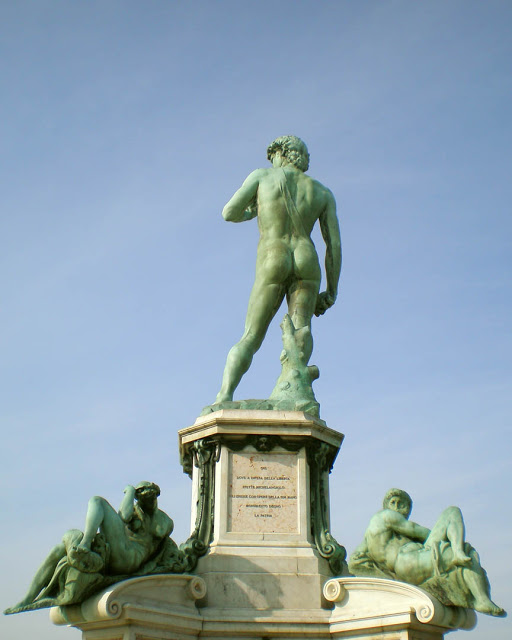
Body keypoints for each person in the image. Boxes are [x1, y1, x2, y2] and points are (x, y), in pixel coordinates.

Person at [215, 135, 341, 404]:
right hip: (307, 258)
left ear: (282, 154)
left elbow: (229, 212)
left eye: (272, 156)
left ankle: (224, 395)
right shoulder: (322, 192)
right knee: (300, 331)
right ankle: (295, 395)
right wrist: (331, 290)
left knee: (251, 336)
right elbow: (334, 245)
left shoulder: (262, 177)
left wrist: (255, 210)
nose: (271, 161)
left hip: (274, 256)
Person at [5, 481, 174, 614]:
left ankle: (85, 543)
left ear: (156, 493)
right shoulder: (134, 510)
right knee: (58, 550)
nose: (144, 493)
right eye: (140, 491)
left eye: (147, 490)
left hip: (130, 558)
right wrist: (129, 492)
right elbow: (123, 516)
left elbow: (157, 532)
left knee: (98, 502)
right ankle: (28, 598)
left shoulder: (164, 520)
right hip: (116, 551)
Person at [349, 488, 505, 617]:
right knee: (453, 517)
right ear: (386, 507)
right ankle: (477, 591)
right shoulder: (385, 515)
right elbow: (415, 530)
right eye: (393, 502)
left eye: (402, 504)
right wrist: (442, 535)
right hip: (407, 561)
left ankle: (460, 557)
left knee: (455, 522)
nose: (396, 506)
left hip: (414, 559)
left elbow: (355, 559)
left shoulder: (370, 536)